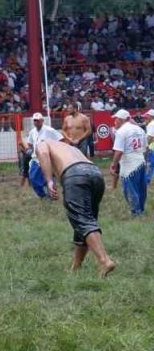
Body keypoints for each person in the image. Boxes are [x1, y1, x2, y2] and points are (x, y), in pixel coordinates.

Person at [35, 140, 117, 277]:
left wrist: (49, 181)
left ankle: (105, 261)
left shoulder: (43, 143)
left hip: (75, 175)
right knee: (85, 221)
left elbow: (43, 153)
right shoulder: (70, 148)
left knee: (83, 221)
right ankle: (76, 267)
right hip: (96, 174)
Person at [111, 109, 148, 217]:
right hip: (140, 160)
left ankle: (136, 212)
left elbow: (118, 152)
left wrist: (113, 165)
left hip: (129, 165)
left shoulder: (121, 131)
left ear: (121, 119)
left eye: (116, 119)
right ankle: (141, 209)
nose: (115, 121)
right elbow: (146, 148)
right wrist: (143, 160)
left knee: (130, 189)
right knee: (141, 188)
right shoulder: (139, 129)